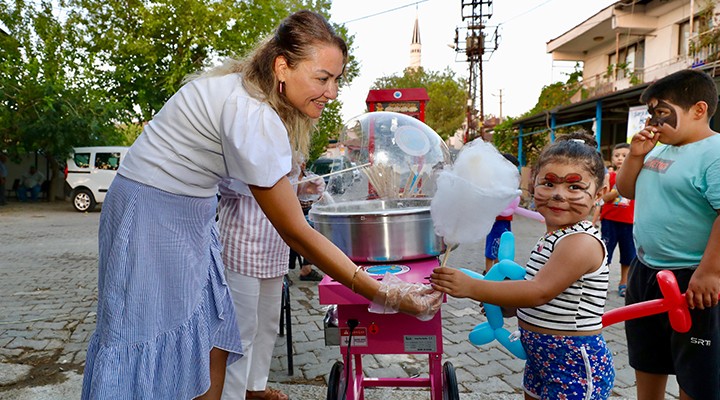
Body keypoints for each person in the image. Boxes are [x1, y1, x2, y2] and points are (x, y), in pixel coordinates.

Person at [80, 10, 442, 400]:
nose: (332, 91)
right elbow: (295, 232)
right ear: (282, 67)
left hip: (191, 210)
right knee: (146, 330)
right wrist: (379, 291)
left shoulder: (255, 97)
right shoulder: (252, 112)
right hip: (152, 211)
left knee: (212, 330)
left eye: (337, 79)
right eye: (322, 78)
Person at [431, 134, 615, 399]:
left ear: (598, 194)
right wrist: (507, 306)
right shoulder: (551, 237)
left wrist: (473, 287)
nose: (558, 195)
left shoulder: (581, 242)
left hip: (572, 362)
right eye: (548, 183)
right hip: (540, 358)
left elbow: (539, 291)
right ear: (533, 185)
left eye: (574, 187)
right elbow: (542, 298)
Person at [615, 69, 720, 400]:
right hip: (646, 271)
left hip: (693, 280)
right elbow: (625, 189)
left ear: (698, 110)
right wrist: (635, 155)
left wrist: (710, 272)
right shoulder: (657, 148)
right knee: (648, 360)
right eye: (652, 114)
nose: (655, 122)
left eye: (663, 113)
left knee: (697, 375)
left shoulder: (715, 152)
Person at [598, 143, 635, 297]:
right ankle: (599, 283)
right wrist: (618, 189)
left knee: (628, 255)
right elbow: (604, 198)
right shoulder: (610, 177)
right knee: (605, 254)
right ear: (612, 159)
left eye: (625, 156)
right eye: (617, 155)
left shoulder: (636, 177)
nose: (620, 159)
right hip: (609, 220)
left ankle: (624, 283)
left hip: (629, 222)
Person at [484, 153, 520, 273]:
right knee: (493, 245)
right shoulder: (495, 181)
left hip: (505, 220)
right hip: (496, 220)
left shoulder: (508, 181)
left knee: (502, 245)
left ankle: (497, 270)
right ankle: (489, 272)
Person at [289, 162, 324, 282]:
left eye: (303, 161)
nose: (302, 164)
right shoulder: (287, 178)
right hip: (293, 215)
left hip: (306, 213)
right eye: (298, 161)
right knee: (295, 233)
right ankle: (289, 270)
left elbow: (317, 199)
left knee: (315, 230)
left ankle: (306, 268)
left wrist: (313, 192)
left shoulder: (309, 177)